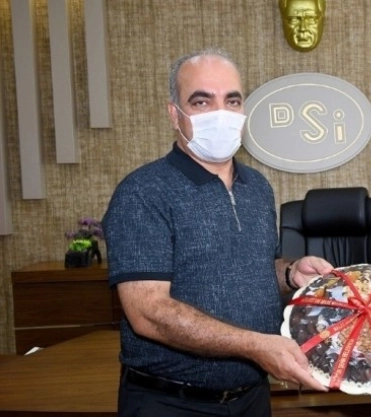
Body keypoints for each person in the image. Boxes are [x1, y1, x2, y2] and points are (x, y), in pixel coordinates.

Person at [102, 49, 330, 417]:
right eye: (202, 101)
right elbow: (149, 313)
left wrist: (289, 273)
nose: (221, 113)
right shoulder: (142, 193)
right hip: (171, 403)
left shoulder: (257, 187)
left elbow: (244, 269)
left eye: (232, 100)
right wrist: (255, 346)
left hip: (252, 397)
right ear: (174, 114)